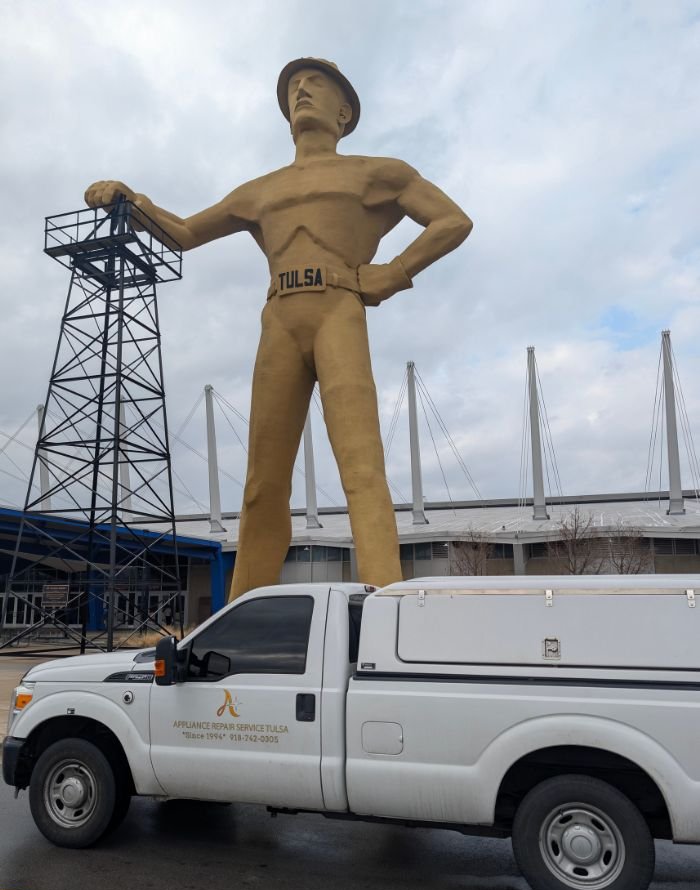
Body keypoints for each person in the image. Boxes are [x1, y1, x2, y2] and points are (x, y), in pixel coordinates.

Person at [85, 58, 473, 600]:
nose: (301, 91)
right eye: (293, 87)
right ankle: (243, 611)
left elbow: (452, 220)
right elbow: (184, 233)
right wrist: (133, 199)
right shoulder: (259, 190)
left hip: (339, 309)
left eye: (315, 85)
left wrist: (394, 272)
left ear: (344, 113)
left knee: (361, 467)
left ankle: (388, 602)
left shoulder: (376, 172)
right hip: (279, 319)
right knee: (261, 485)